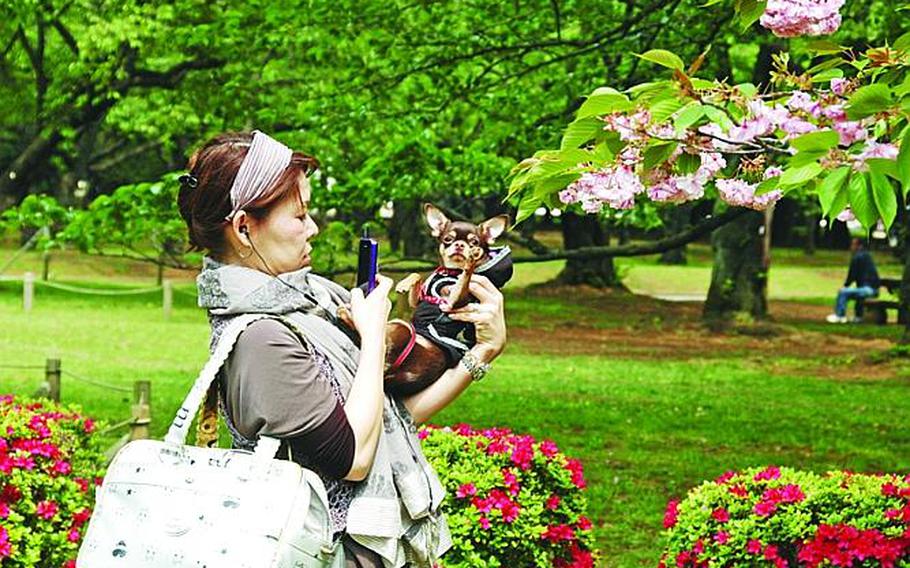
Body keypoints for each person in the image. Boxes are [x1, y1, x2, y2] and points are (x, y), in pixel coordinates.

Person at [176, 131, 507, 567]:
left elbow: (390, 420)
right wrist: (372, 339)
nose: (312, 228)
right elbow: (352, 457)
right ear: (243, 227)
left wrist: (480, 354)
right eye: (299, 215)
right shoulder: (262, 336)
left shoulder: (312, 302)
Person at [826, 237, 880, 324]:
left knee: (843, 292)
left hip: (868, 290)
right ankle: (858, 317)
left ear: (859, 246)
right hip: (873, 289)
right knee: (858, 294)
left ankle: (840, 316)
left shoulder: (857, 257)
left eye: (853, 244)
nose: (851, 247)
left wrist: (845, 286)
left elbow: (852, 275)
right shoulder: (867, 256)